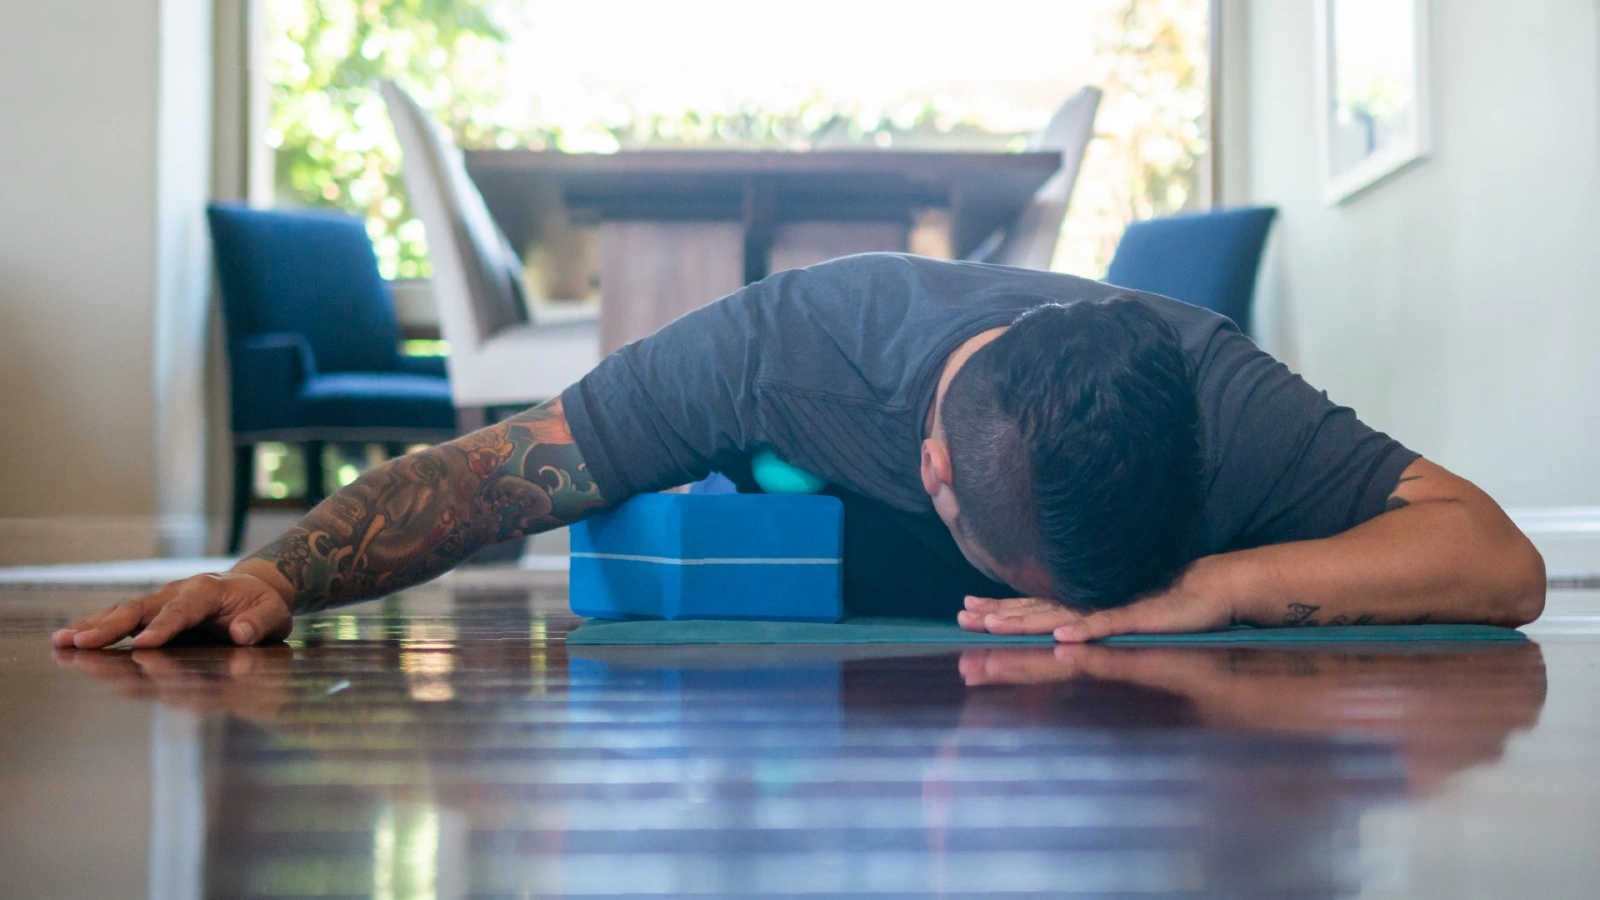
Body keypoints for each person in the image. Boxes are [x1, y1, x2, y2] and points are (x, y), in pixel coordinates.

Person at [52, 254, 1545, 650]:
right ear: (936, 478)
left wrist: (1212, 587)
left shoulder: (1206, 379)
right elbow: (504, 466)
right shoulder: (782, 350)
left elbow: (1499, 556)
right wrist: (276, 574)